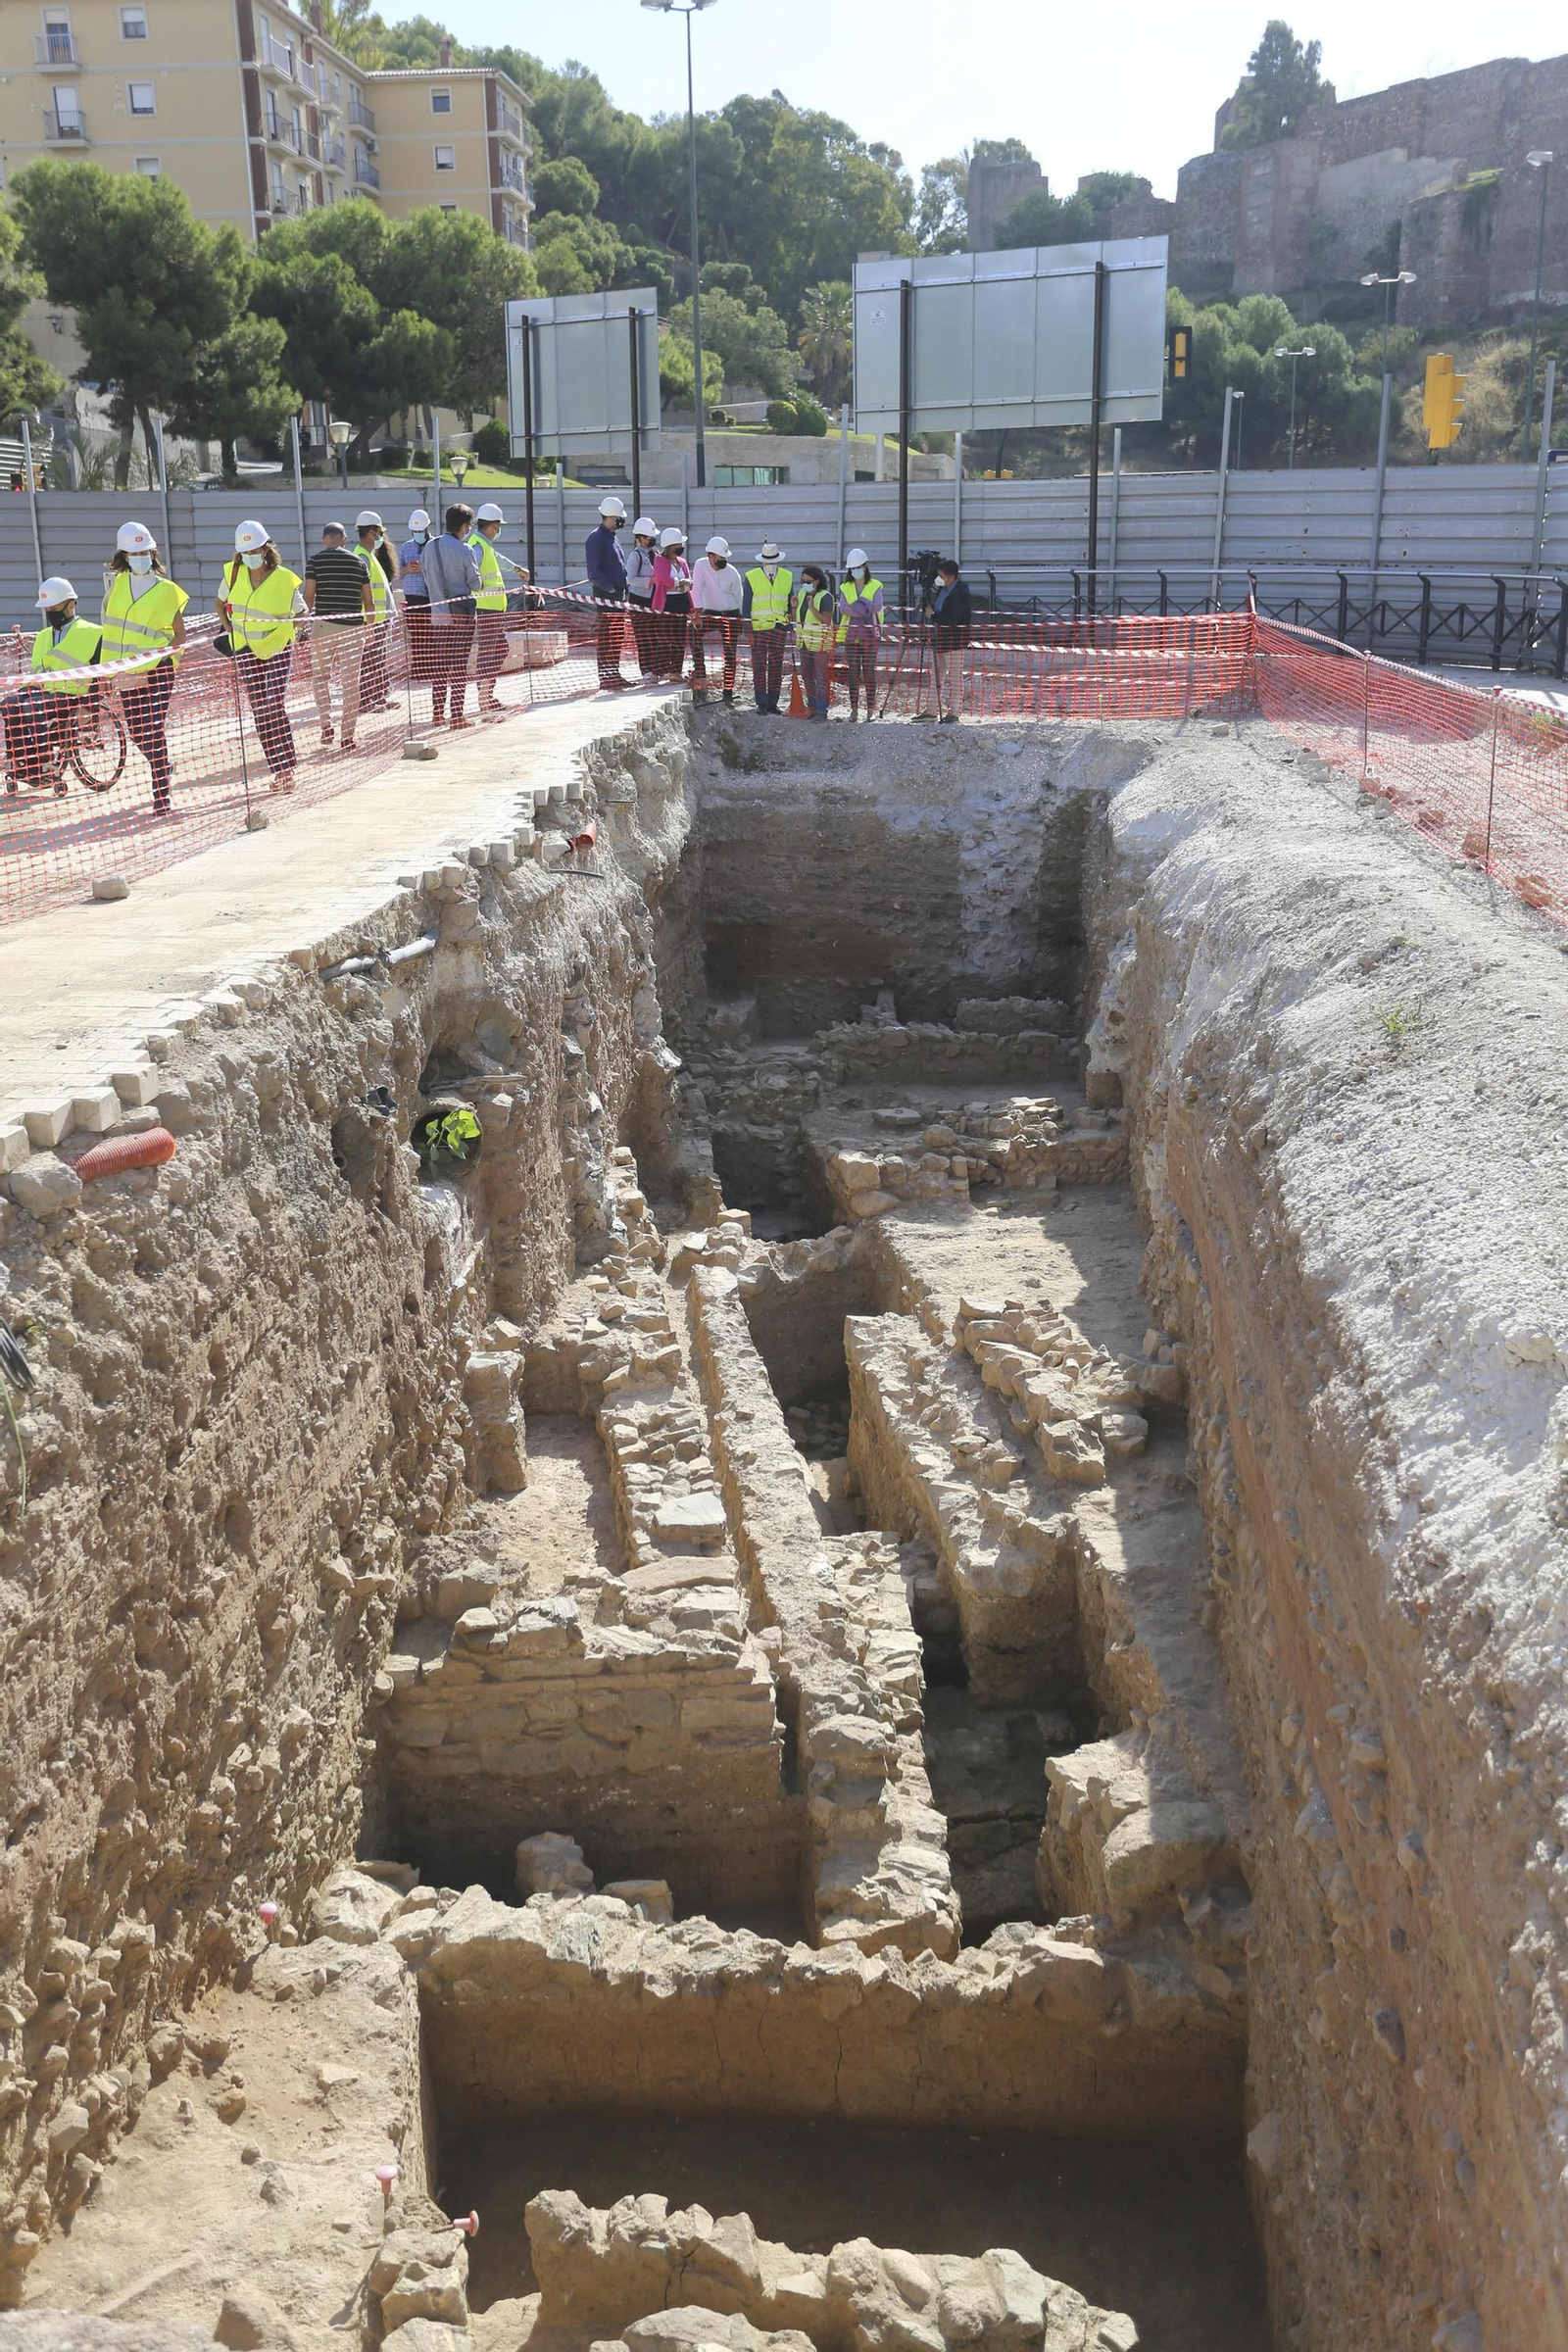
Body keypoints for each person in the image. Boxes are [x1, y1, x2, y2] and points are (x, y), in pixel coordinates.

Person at [100, 520, 188, 813]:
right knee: (138, 733)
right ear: (123, 556)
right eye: (134, 553)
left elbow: (179, 634)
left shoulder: (168, 590)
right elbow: (109, 632)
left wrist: (171, 662)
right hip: (127, 673)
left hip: (158, 671)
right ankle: (163, 764)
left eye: (145, 552)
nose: (141, 558)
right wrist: (107, 673)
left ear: (152, 553)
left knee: (152, 726)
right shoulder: (116, 587)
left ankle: (161, 796)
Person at [218, 521, 303, 789]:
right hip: (245, 649)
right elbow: (220, 602)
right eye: (245, 552)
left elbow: (302, 613)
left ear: (266, 549)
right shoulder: (233, 573)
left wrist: (290, 632)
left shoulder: (284, 578)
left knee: (273, 703)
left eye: (254, 550)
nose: (250, 556)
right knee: (259, 711)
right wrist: (227, 626)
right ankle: (278, 770)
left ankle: (287, 767)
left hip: (277, 648)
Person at [5, 576, 102, 796]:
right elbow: (35, 675)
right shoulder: (42, 636)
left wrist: (90, 707)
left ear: (71, 605)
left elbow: (100, 677)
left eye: (55, 608)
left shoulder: (93, 633)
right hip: (42, 692)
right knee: (9, 704)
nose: (51, 613)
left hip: (72, 695)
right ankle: (22, 762)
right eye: (48, 609)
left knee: (33, 707)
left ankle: (44, 764)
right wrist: (20, 695)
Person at [301, 521, 373, 753]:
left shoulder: (314, 561)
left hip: (323, 626)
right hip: (352, 628)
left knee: (321, 677)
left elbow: (309, 597)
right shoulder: (359, 562)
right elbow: (368, 602)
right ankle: (347, 736)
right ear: (344, 540)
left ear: (324, 540)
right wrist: (369, 629)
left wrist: (301, 625)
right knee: (351, 683)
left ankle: (325, 722)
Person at [418, 504, 482, 729]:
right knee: (459, 666)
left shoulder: (429, 548)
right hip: (461, 619)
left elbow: (426, 580)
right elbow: (476, 584)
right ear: (464, 526)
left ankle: (437, 714)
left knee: (440, 666)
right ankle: (457, 716)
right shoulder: (465, 550)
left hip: (438, 617)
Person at [466, 502, 512, 722]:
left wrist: (516, 569)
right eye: (498, 526)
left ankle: (486, 693)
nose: (499, 530)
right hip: (486, 608)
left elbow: (498, 560)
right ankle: (485, 697)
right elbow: (471, 570)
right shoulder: (477, 545)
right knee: (488, 652)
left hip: (493, 608)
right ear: (493, 526)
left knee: (499, 648)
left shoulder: (484, 544)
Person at [585, 493, 630, 690]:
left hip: (618, 595)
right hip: (607, 595)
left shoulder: (612, 538)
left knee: (616, 635)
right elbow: (593, 571)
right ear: (612, 517)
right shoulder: (596, 538)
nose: (621, 521)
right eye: (619, 518)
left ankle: (614, 673)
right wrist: (609, 588)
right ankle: (606, 676)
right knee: (607, 636)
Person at [690, 535, 743, 704]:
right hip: (710, 613)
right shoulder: (701, 565)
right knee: (692, 633)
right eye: (720, 558)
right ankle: (700, 674)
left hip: (730, 613)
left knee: (729, 652)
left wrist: (740, 621)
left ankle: (728, 691)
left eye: (725, 558)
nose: (723, 561)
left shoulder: (732, 573)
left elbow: (738, 597)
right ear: (711, 556)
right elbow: (696, 589)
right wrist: (697, 614)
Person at [742, 542, 793, 714]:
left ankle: (773, 702)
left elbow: (789, 602)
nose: (770, 565)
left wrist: (789, 625)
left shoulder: (787, 576)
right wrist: (748, 631)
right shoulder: (751, 576)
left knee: (776, 666)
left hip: (779, 627)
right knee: (759, 665)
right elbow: (746, 605)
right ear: (762, 561)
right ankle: (761, 702)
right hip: (759, 628)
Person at [355, 510, 398, 714]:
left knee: (376, 660)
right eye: (380, 533)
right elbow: (362, 594)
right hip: (370, 621)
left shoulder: (369, 556)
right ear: (372, 533)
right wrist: (369, 624)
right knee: (368, 661)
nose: (381, 537)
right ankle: (365, 700)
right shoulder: (361, 557)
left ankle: (378, 697)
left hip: (378, 620)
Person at [837, 546, 884, 722]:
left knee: (869, 672)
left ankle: (870, 709)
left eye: (859, 567)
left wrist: (855, 607)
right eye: (853, 568)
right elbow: (843, 609)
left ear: (865, 567)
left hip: (871, 635)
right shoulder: (845, 587)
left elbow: (877, 606)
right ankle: (854, 709)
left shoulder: (875, 585)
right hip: (851, 636)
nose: (857, 571)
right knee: (853, 673)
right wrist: (864, 607)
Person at [924, 557, 972, 723]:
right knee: (936, 676)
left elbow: (952, 618)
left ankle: (954, 712)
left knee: (954, 677)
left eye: (942, 575)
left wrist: (934, 615)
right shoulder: (943, 589)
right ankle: (930, 710)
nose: (939, 578)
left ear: (951, 577)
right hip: (940, 639)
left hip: (954, 641)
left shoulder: (960, 593)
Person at [399, 508, 434, 702]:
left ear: (428, 527)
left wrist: (424, 568)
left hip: (430, 596)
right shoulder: (406, 547)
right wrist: (407, 569)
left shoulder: (435, 545)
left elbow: (439, 569)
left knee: (429, 634)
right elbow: (398, 571)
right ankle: (419, 670)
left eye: (421, 531)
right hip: (412, 596)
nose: (418, 535)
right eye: (415, 532)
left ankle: (430, 669)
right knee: (416, 635)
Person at [650, 526, 693, 685]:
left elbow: (690, 583)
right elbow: (664, 581)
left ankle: (675, 671)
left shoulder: (682, 562)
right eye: (679, 545)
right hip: (667, 604)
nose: (681, 548)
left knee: (679, 639)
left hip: (681, 602)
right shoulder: (659, 560)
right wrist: (680, 583)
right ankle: (657, 671)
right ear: (671, 546)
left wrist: (679, 585)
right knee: (665, 638)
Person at [795, 564, 835, 719]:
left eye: (807, 581)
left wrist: (812, 608)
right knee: (806, 675)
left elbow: (826, 619)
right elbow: (799, 617)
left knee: (821, 677)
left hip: (820, 645)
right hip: (804, 643)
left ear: (816, 581)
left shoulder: (825, 597)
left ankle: (822, 709)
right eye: (802, 581)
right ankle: (811, 705)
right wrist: (793, 608)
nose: (804, 584)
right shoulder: (800, 594)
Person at [625, 516, 660, 684]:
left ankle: (655, 668)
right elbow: (631, 579)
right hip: (639, 600)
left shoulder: (656, 554)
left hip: (654, 600)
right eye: (648, 538)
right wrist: (650, 581)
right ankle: (646, 670)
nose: (651, 540)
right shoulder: (635, 556)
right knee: (643, 636)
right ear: (640, 538)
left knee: (654, 635)